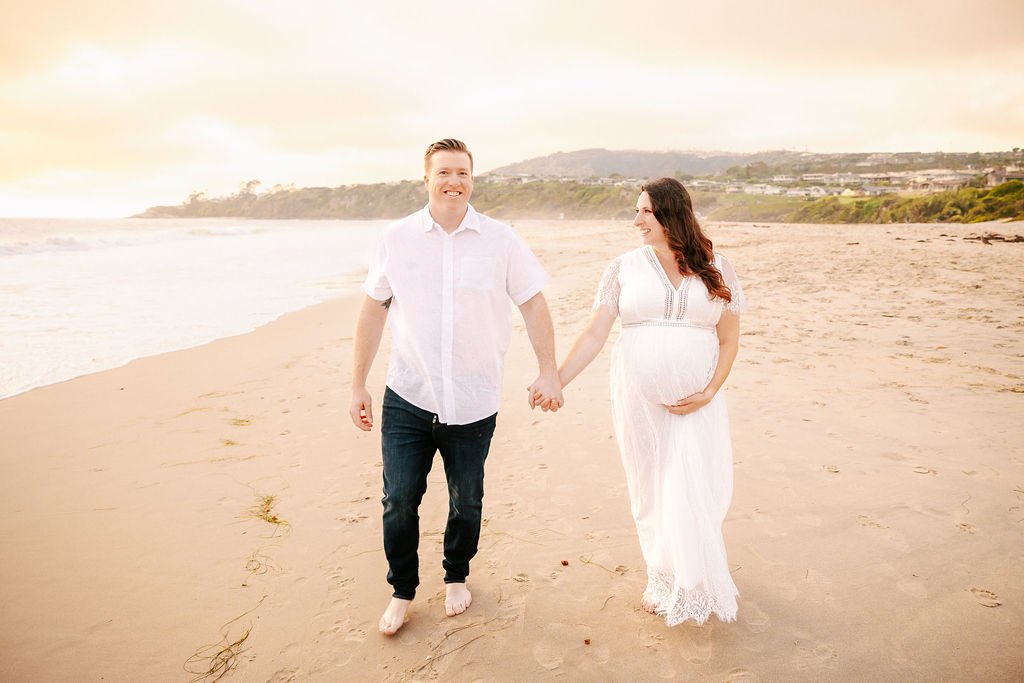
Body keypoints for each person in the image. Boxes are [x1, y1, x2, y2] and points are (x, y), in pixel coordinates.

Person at [349, 138, 563, 636]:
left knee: (467, 500)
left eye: (463, 173)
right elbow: (372, 309)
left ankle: (456, 577)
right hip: (409, 394)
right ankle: (402, 589)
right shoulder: (396, 239)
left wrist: (548, 369)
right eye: (444, 172)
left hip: (474, 397)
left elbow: (533, 303)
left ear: (472, 179)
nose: (454, 181)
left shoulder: (500, 239)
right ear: (425, 179)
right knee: (399, 498)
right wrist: (357, 383)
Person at [552, 177, 747, 626]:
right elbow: (596, 333)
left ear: (670, 214)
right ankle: (661, 575)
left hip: (699, 400)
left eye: (645, 211)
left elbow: (730, 339)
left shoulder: (718, 268)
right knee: (650, 483)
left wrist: (709, 391)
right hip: (638, 398)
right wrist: (558, 380)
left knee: (695, 482)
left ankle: (693, 577)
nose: (636, 219)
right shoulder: (623, 267)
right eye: (637, 210)